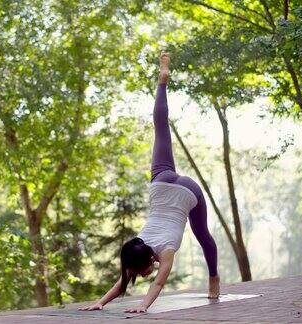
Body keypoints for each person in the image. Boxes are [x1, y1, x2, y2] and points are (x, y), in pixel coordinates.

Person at [79, 52, 220, 313]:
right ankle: (162, 81)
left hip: (190, 191)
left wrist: (143, 306)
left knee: (202, 235)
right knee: (161, 128)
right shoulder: (138, 244)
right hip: (162, 183)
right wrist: (99, 303)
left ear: (147, 260)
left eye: (141, 272)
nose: (142, 276)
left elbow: (157, 285)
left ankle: (214, 279)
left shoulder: (165, 252)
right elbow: (124, 283)